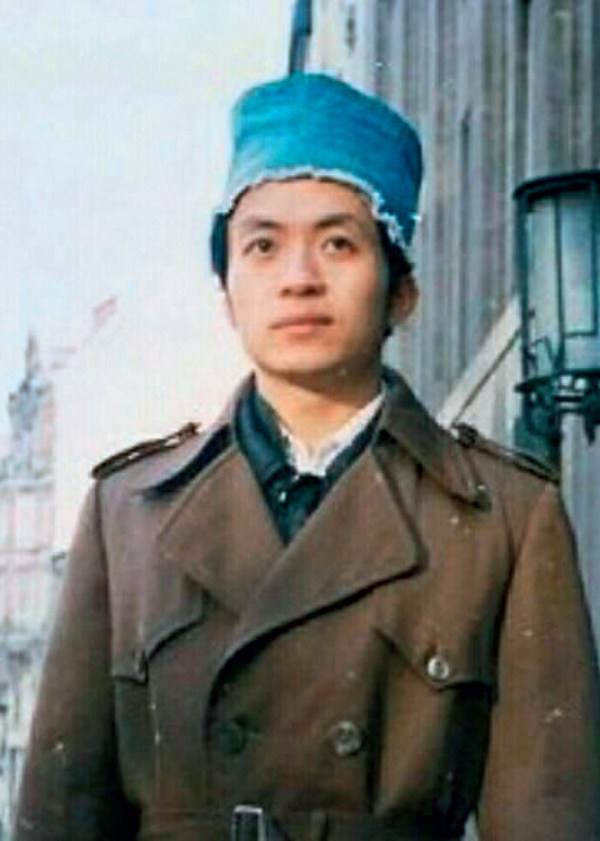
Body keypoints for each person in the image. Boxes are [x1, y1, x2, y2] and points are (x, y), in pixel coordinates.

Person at [15, 73, 600, 841]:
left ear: (401, 292)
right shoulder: (127, 514)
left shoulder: (505, 520)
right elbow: (61, 816)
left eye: (338, 243)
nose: (298, 279)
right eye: (262, 246)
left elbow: (549, 819)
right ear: (227, 292)